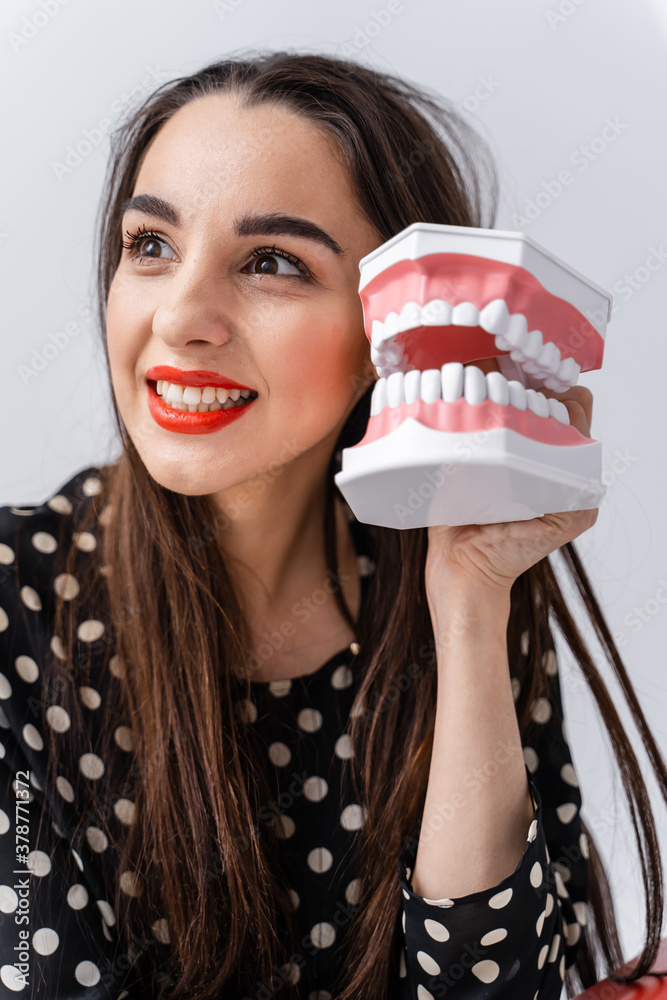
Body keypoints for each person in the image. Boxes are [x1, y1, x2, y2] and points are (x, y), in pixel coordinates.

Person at [0, 50, 665, 1000]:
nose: (182, 315)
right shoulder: (13, 602)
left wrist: (471, 610)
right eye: (150, 246)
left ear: (388, 335)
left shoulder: (451, 602)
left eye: (271, 263)